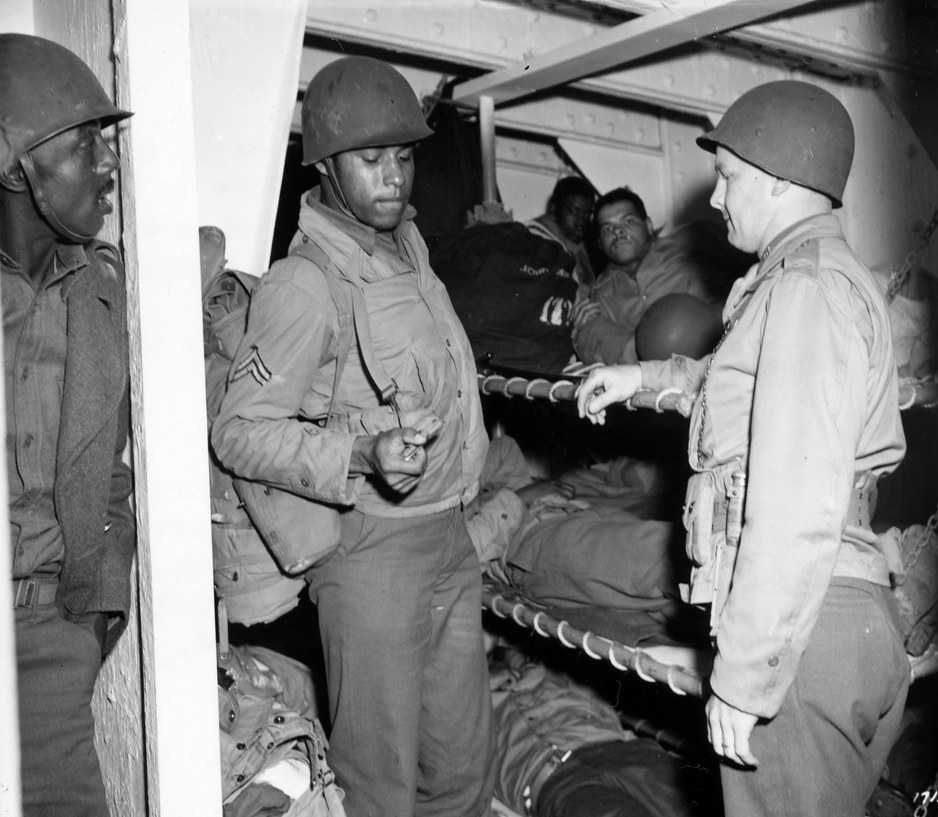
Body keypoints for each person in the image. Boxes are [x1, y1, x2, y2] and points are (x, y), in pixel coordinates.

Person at [576, 80, 909, 817]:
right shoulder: (804, 279)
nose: (718, 197)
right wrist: (643, 376)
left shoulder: (805, 290)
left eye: (728, 177)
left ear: (780, 180)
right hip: (832, 610)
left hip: (802, 629)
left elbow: (792, 504)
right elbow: (746, 385)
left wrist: (746, 677)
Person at [211, 55, 495, 817]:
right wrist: (360, 453)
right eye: (371, 160)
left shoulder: (408, 248)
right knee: (378, 779)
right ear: (327, 168)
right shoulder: (305, 283)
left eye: (403, 156)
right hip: (373, 551)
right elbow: (239, 433)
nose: (394, 177)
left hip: (448, 533)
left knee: (461, 769)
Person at [1, 33, 135, 816]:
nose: (108, 163)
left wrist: (93, 614)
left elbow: (111, 473)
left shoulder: (101, 295)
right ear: (17, 166)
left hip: (50, 635)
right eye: (86, 144)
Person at [466, 435, 685, 620]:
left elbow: (504, 448)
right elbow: (465, 555)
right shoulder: (446, 531)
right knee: (662, 553)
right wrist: (519, 498)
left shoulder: (452, 489)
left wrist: (464, 494)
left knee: (667, 568)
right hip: (531, 544)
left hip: (568, 514)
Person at [488, 643, 705, 817]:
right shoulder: (474, 714)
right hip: (557, 783)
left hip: (623, 751)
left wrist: (511, 660)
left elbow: (507, 650)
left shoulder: (544, 676)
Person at [572, 187, 750, 365]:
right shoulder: (602, 293)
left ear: (648, 225)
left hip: (730, 353)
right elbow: (600, 343)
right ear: (600, 244)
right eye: (607, 229)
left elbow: (758, 263)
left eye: (628, 221)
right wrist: (585, 326)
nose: (617, 231)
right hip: (663, 375)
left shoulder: (693, 240)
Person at [525, 175, 598, 299]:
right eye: (573, 211)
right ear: (553, 208)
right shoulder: (538, 238)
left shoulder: (580, 244)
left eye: (586, 213)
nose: (581, 220)